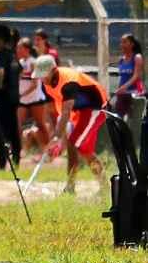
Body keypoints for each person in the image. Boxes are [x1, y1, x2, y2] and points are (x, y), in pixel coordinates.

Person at [32, 55, 109, 194]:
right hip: (78, 111)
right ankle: (104, 187)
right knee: (84, 150)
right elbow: (57, 110)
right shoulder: (46, 84)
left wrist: (57, 137)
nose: (42, 78)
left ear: (53, 70)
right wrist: (56, 137)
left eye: (44, 75)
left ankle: (71, 187)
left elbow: (66, 111)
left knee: (74, 144)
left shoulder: (68, 82)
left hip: (95, 108)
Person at [0, 25, 21, 169]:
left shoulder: (1, 54)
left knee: (1, 131)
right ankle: (16, 160)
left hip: (2, 97)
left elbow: (1, 72)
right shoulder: (13, 55)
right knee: (13, 130)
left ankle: (2, 163)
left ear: (0, 39)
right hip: (13, 97)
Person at [17, 37, 51, 154]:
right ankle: (18, 150)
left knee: (40, 125)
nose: (17, 50)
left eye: (20, 48)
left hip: (35, 99)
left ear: (27, 49)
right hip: (23, 100)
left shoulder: (33, 62)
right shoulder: (20, 63)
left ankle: (49, 150)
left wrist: (21, 94)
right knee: (17, 124)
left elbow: (35, 84)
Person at [113, 33, 144, 117]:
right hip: (122, 94)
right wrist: (119, 89)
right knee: (118, 117)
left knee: (133, 119)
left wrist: (124, 87)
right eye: (121, 42)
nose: (121, 45)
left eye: (124, 42)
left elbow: (136, 76)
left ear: (132, 44)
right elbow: (121, 77)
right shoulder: (121, 60)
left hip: (134, 94)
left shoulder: (137, 57)